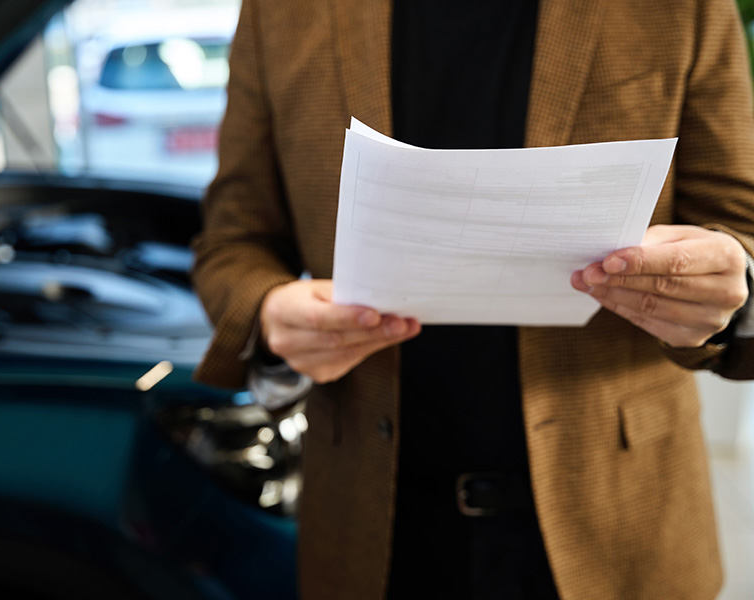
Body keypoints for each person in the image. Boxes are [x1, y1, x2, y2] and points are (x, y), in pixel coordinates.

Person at [191, 0, 754, 598]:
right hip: (369, 524)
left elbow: (740, 226)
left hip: (621, 514)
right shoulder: (280, 12)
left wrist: (726, 290)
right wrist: (269, 312)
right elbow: (232, 243)